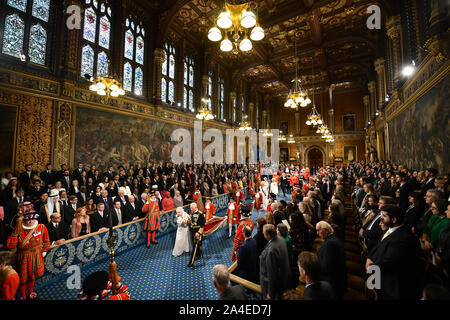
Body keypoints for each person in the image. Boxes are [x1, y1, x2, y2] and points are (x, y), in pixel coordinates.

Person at [366, 204, 421, 300]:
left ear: (394, 220)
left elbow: (388, 262)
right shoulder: (390, 229)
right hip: (378, 269)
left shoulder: (402, 238)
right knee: (368, 289)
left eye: (384, 216)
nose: (381, 218)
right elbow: (378, 246)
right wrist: (369, 258)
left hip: (392, 282)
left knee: (373, 293)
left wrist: (371, 267)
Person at [6, 202, 51, 300]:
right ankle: (23, 295)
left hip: (37, 255)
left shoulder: (41, 227)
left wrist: (44, 251)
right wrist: (15, 233)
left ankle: (30, 293)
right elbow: (10, 245)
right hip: (24, 257)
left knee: (32, 277)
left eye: (32, 219)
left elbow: (47, 241)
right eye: (27, 220)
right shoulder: (19, 230)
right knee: (23, 279)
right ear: (23, 220)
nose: (30, 221)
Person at [316, 221, 347, 299]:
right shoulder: (332, 239)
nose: (317, 233)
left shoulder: (330, 244)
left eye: (318, 230)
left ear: (326, 230)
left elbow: (326, 267)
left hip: (333, 284)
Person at [259, 224, 291, 300]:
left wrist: (270, 293)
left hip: (270, 285)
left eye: (264, 233)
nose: (262, 234)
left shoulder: (271, 251)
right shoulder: (280, 239)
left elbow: (272, 273)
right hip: (283, 277)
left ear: (268, 235)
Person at [187, 203, 205, 267]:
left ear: (195, 207)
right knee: (195, 245)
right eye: (190, 208)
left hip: (197, 232)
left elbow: (203, 225)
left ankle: (191, 262)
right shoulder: (191, 213)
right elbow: (191, 222)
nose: (190, 209)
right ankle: (198, 255)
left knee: (194, 246)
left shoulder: (200, 214)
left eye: (192, 208)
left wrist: (199, 233)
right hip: (192, 231)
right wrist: (186, 222)